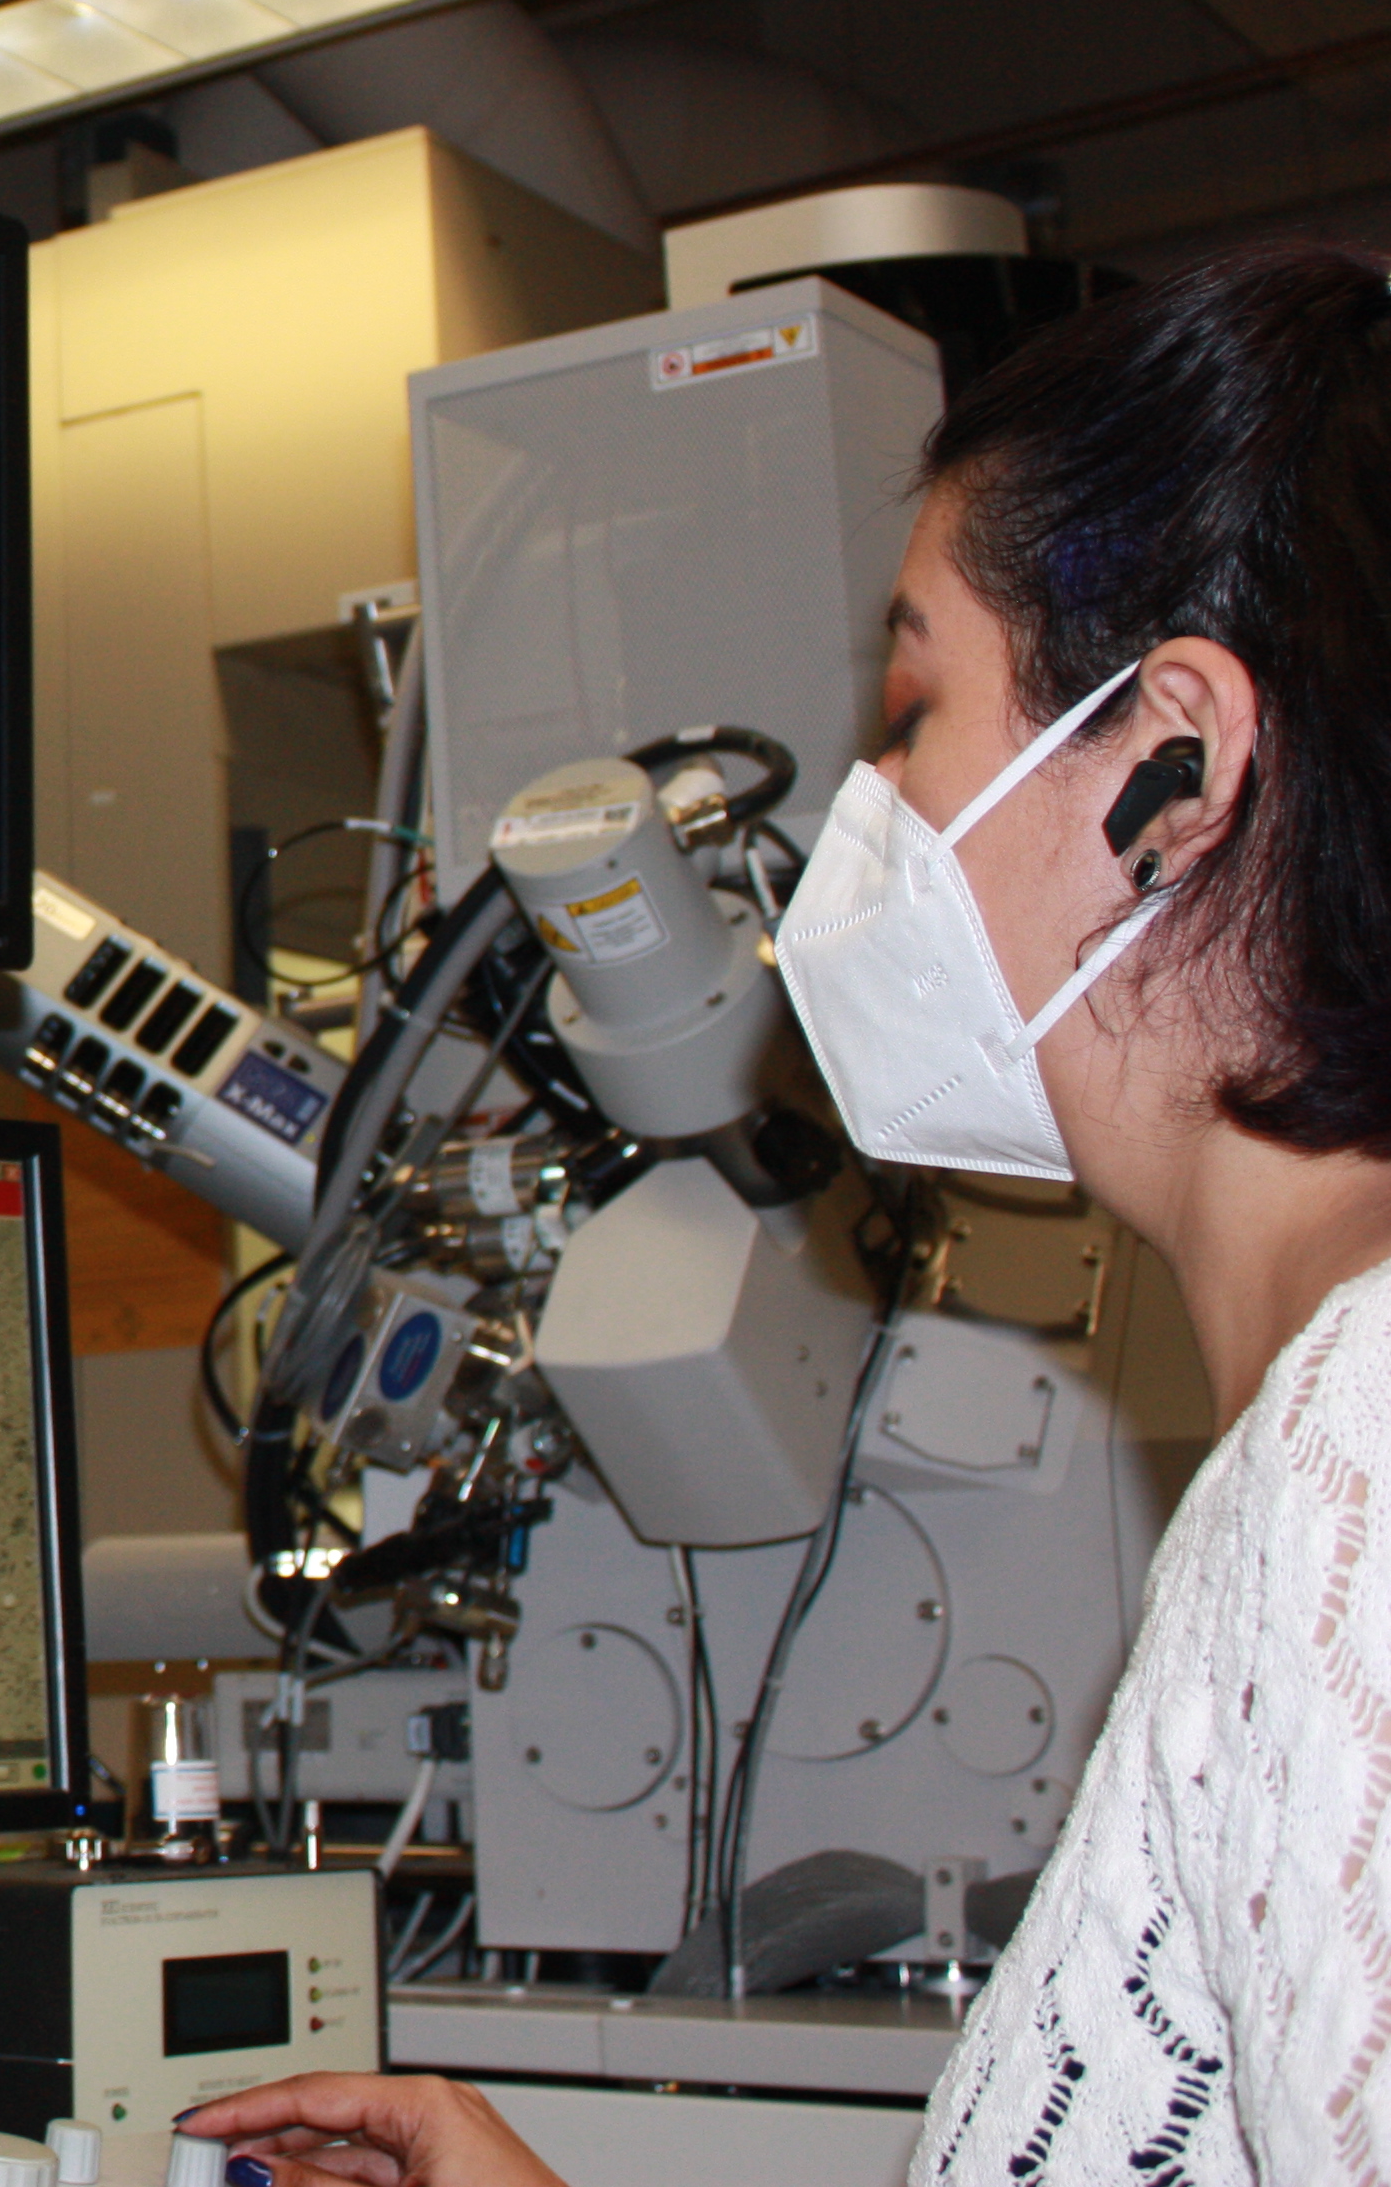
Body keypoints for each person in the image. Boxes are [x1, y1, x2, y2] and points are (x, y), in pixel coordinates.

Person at [181, 242, 1391, 2186]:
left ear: (1175, 762)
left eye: (912, 708)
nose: (871, 806)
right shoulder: (1312, 1471)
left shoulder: (1365, 1474)